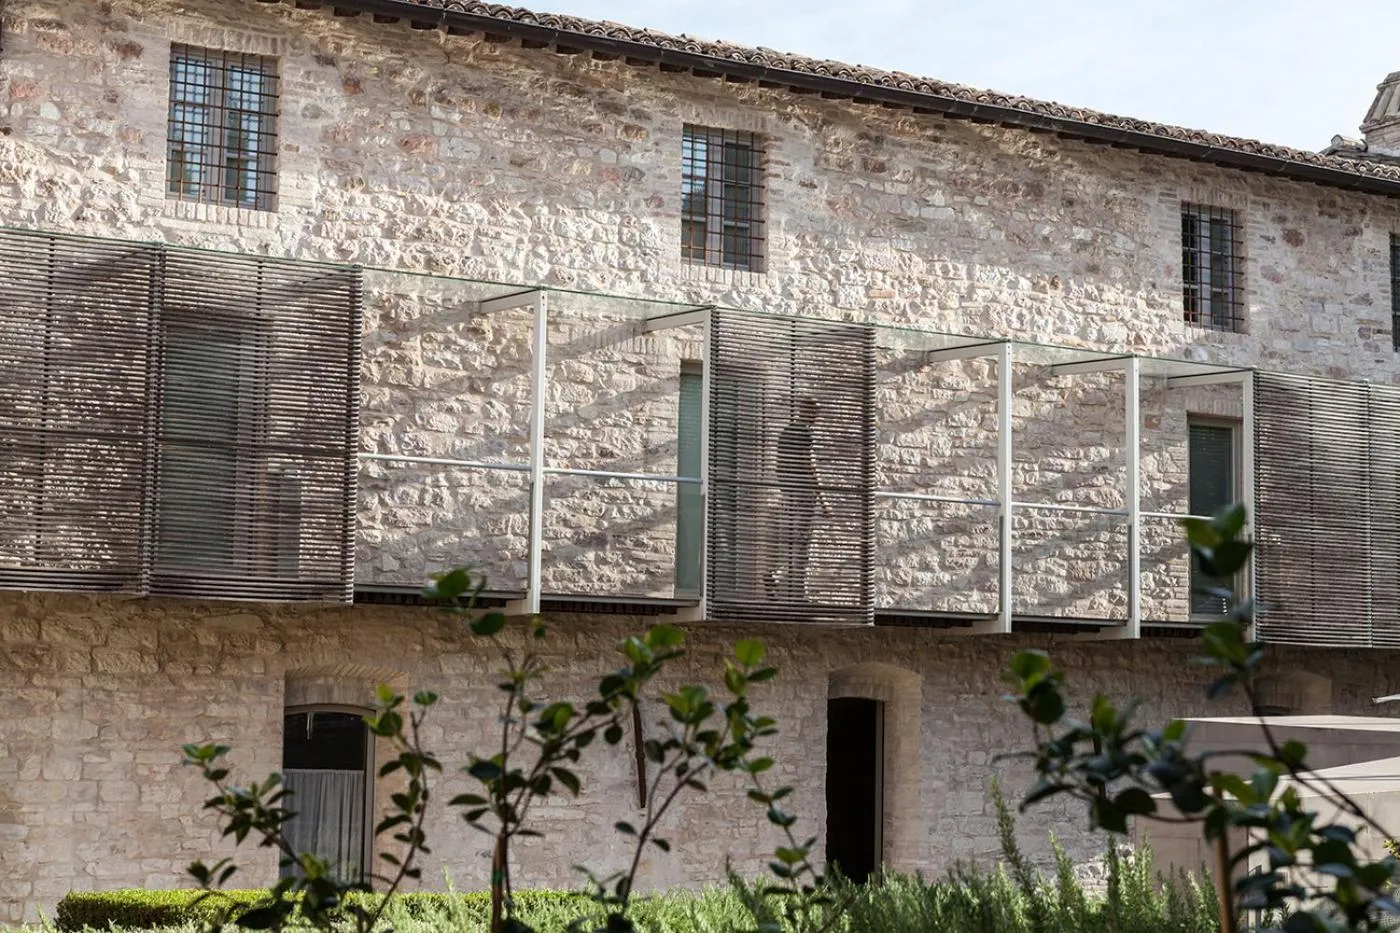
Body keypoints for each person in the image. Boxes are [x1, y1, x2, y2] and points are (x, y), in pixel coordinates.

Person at [768, 396, 831, 602]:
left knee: (790, 541)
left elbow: (779, 466)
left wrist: (786, 489)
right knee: (802, 543)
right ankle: (797, 595)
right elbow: (810, 464)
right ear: (807, 411)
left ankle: (776, 576)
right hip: (803, 494)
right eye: (815, 412)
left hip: (788, 494)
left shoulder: (785, 432)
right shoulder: (805, 433)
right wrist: (823, 500)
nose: (817, 417)